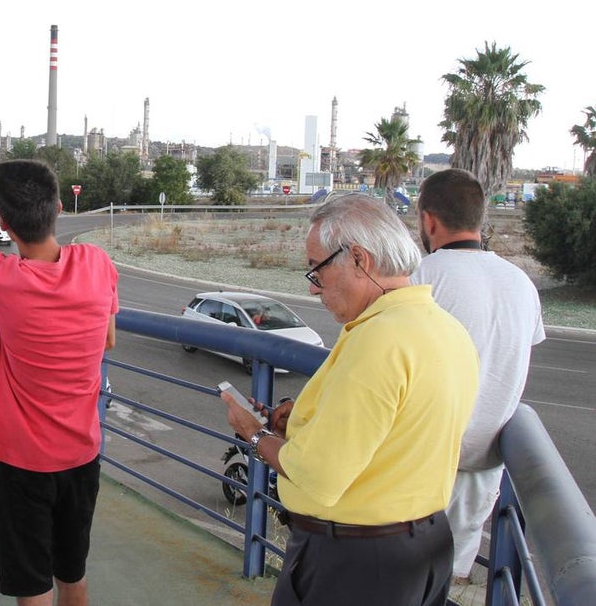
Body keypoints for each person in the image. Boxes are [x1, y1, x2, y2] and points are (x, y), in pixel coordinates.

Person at [222, 193, 479, 606]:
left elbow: (318, 477)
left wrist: (254, 434)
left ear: (359, 259)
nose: (312, 287)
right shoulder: (445, 328)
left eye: (317, 269)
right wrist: (304, 424)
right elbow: (395, 429)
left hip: (356, 561)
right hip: (423, 545)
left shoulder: (378, 340)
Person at [0, 140, 119, 606]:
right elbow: (108, 339)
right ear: (58, 207)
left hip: (24, 464)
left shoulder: (3, 278)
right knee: (73, 577)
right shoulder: (97, 264)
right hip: (82, 456)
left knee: (32, 588)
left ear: (5, 224)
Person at [411, 168, 546, 582]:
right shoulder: (521, 284)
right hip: (484, 466)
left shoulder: (422, 279)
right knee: (445, 580)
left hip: (422, 464)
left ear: (429, 220)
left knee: (402, 578)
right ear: (479, 217)